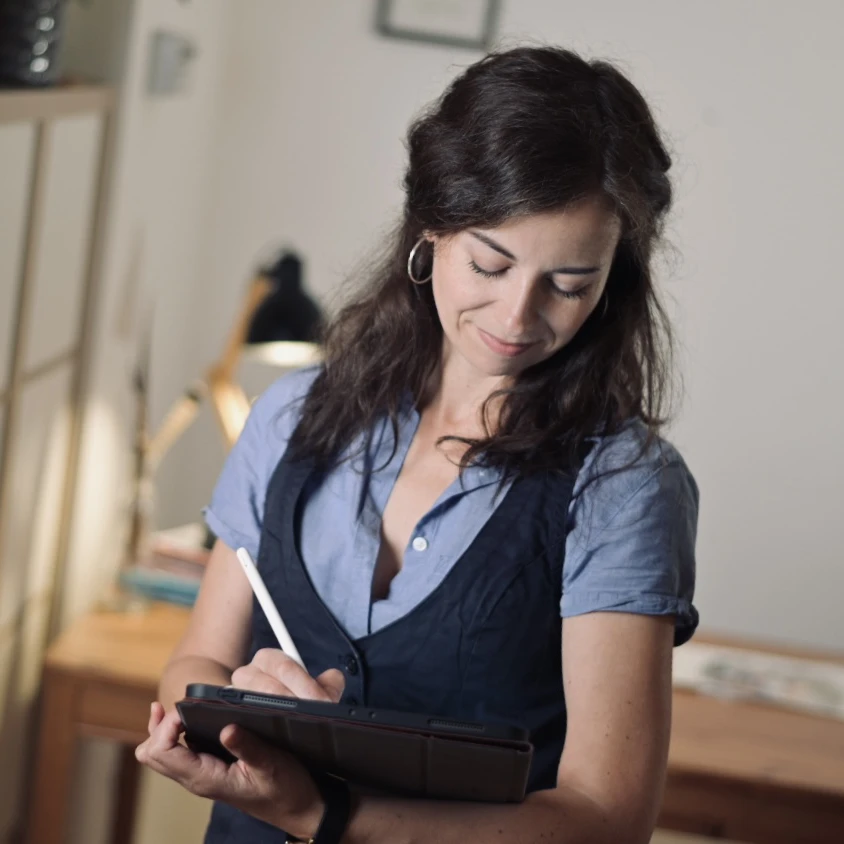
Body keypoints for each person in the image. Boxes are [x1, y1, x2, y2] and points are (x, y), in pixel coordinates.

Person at [136, 45, 699, 844]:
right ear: (430, 229)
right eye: (490, 263)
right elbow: (197, 662)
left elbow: (607, 820)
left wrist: (323, 813)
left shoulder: (622, 485)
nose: (515, 316)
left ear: (613, 282)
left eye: (569, 284)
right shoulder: (292, 415)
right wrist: (226, 716)